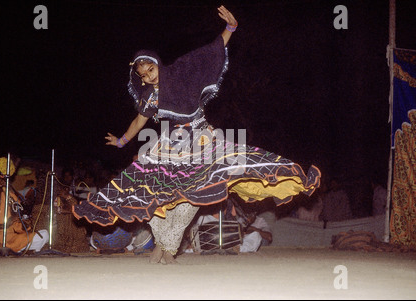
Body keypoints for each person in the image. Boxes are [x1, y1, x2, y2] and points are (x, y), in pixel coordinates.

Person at [73, 6, 321, 264]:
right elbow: (139, 121)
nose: (148, 77)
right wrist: (122, 140)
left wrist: (230, 28)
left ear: (157, 63)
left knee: (193, 197)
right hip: (169, 145)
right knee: (153, 195)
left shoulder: (182, 72)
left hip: (202, 140)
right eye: (143, 75)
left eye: (150, 70)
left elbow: (208, 55)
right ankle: (163, 243)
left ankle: (168, 246)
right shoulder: (150, 96)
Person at [0, 157, 49, 256]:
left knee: (44, 235)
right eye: (0, 178)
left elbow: (16, 225)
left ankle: (4, 251)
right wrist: (4, 225)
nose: (4, 182)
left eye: (6, 179)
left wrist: (24, 225)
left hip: (10, 239)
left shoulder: (12, 197)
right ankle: (14, 251)